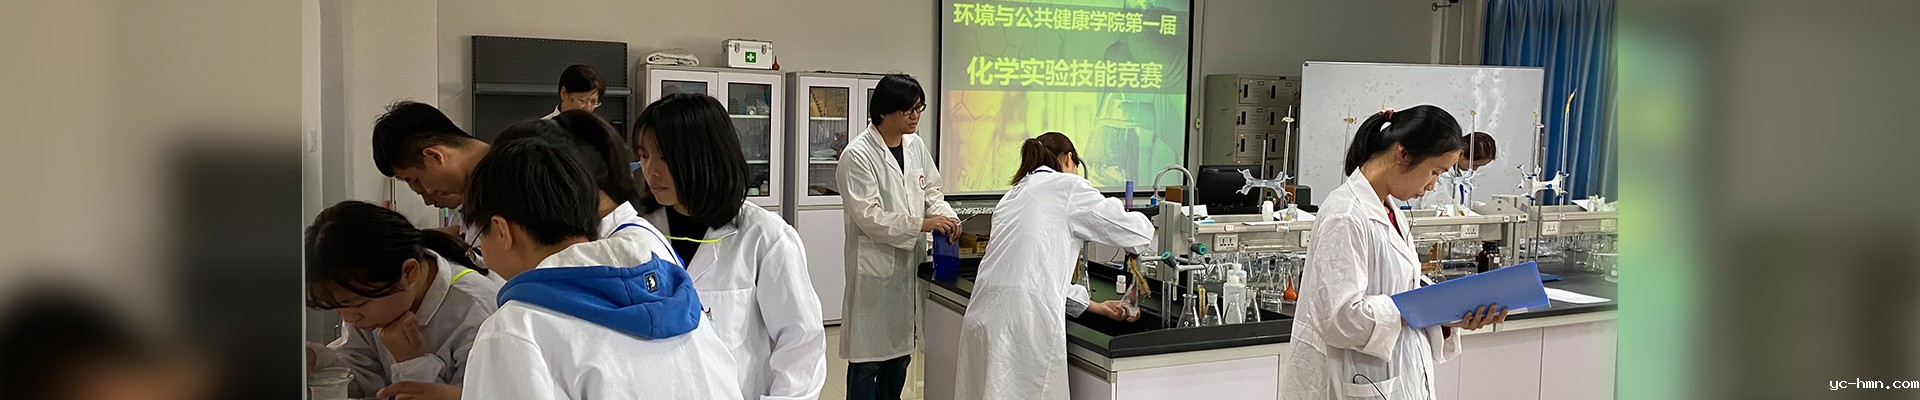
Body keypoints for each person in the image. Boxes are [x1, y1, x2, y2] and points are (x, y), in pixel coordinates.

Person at [457, 138, 741, 399]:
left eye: (479, 240)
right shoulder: (680, 301)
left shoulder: (515, 330)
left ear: (502, 230)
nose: (483, 255)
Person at [1280, 106, 1509, 400]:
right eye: (1434, 171)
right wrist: (1421, 306)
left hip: (1393, 375)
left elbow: (1398, 296)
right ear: (1402, 153)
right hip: (1355, 377)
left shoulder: (1389, 209)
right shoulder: (1346, 214)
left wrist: (1449, 315)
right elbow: (1340, 319)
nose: (1432, 185)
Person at [633, 93, 828, 400]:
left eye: (665, 157)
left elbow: (801, 344)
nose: (651, 171)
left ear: (705, 156)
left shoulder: (764, 237)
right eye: (644, 156)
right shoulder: (637, 234)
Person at [953, 132, 1152, 400]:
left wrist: (1095, 307)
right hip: (1021, 324)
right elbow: (1136, 234)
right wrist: (1142, 227)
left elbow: (1036, 277)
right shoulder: (1067, 186)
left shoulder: (1013, 195)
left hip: (984, 318)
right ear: (1069, 159)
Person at [835, 73, 959, 400]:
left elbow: (931, 190)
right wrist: (923, 224)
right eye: (908, 110)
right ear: (884, 111)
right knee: (867, 363)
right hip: (874, 272)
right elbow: (869, 216)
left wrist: (946, 215)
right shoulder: (857, 155)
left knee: (901, 357)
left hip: (908, 267)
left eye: (919, 108)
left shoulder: (915, 145)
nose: (916, 116)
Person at [302, 200, 500, 400]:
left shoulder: (476, 313)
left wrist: (411, 362)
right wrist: (315, 360)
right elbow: (361, 376)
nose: (350, 318)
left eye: (359, 304)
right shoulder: (367, 298)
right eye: (338, 307)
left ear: (409, 272)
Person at [370, 100, 492, 241]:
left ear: (434, 156)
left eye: (417, 180)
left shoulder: (508, 181)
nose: (429, 191)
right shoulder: (482, 192)